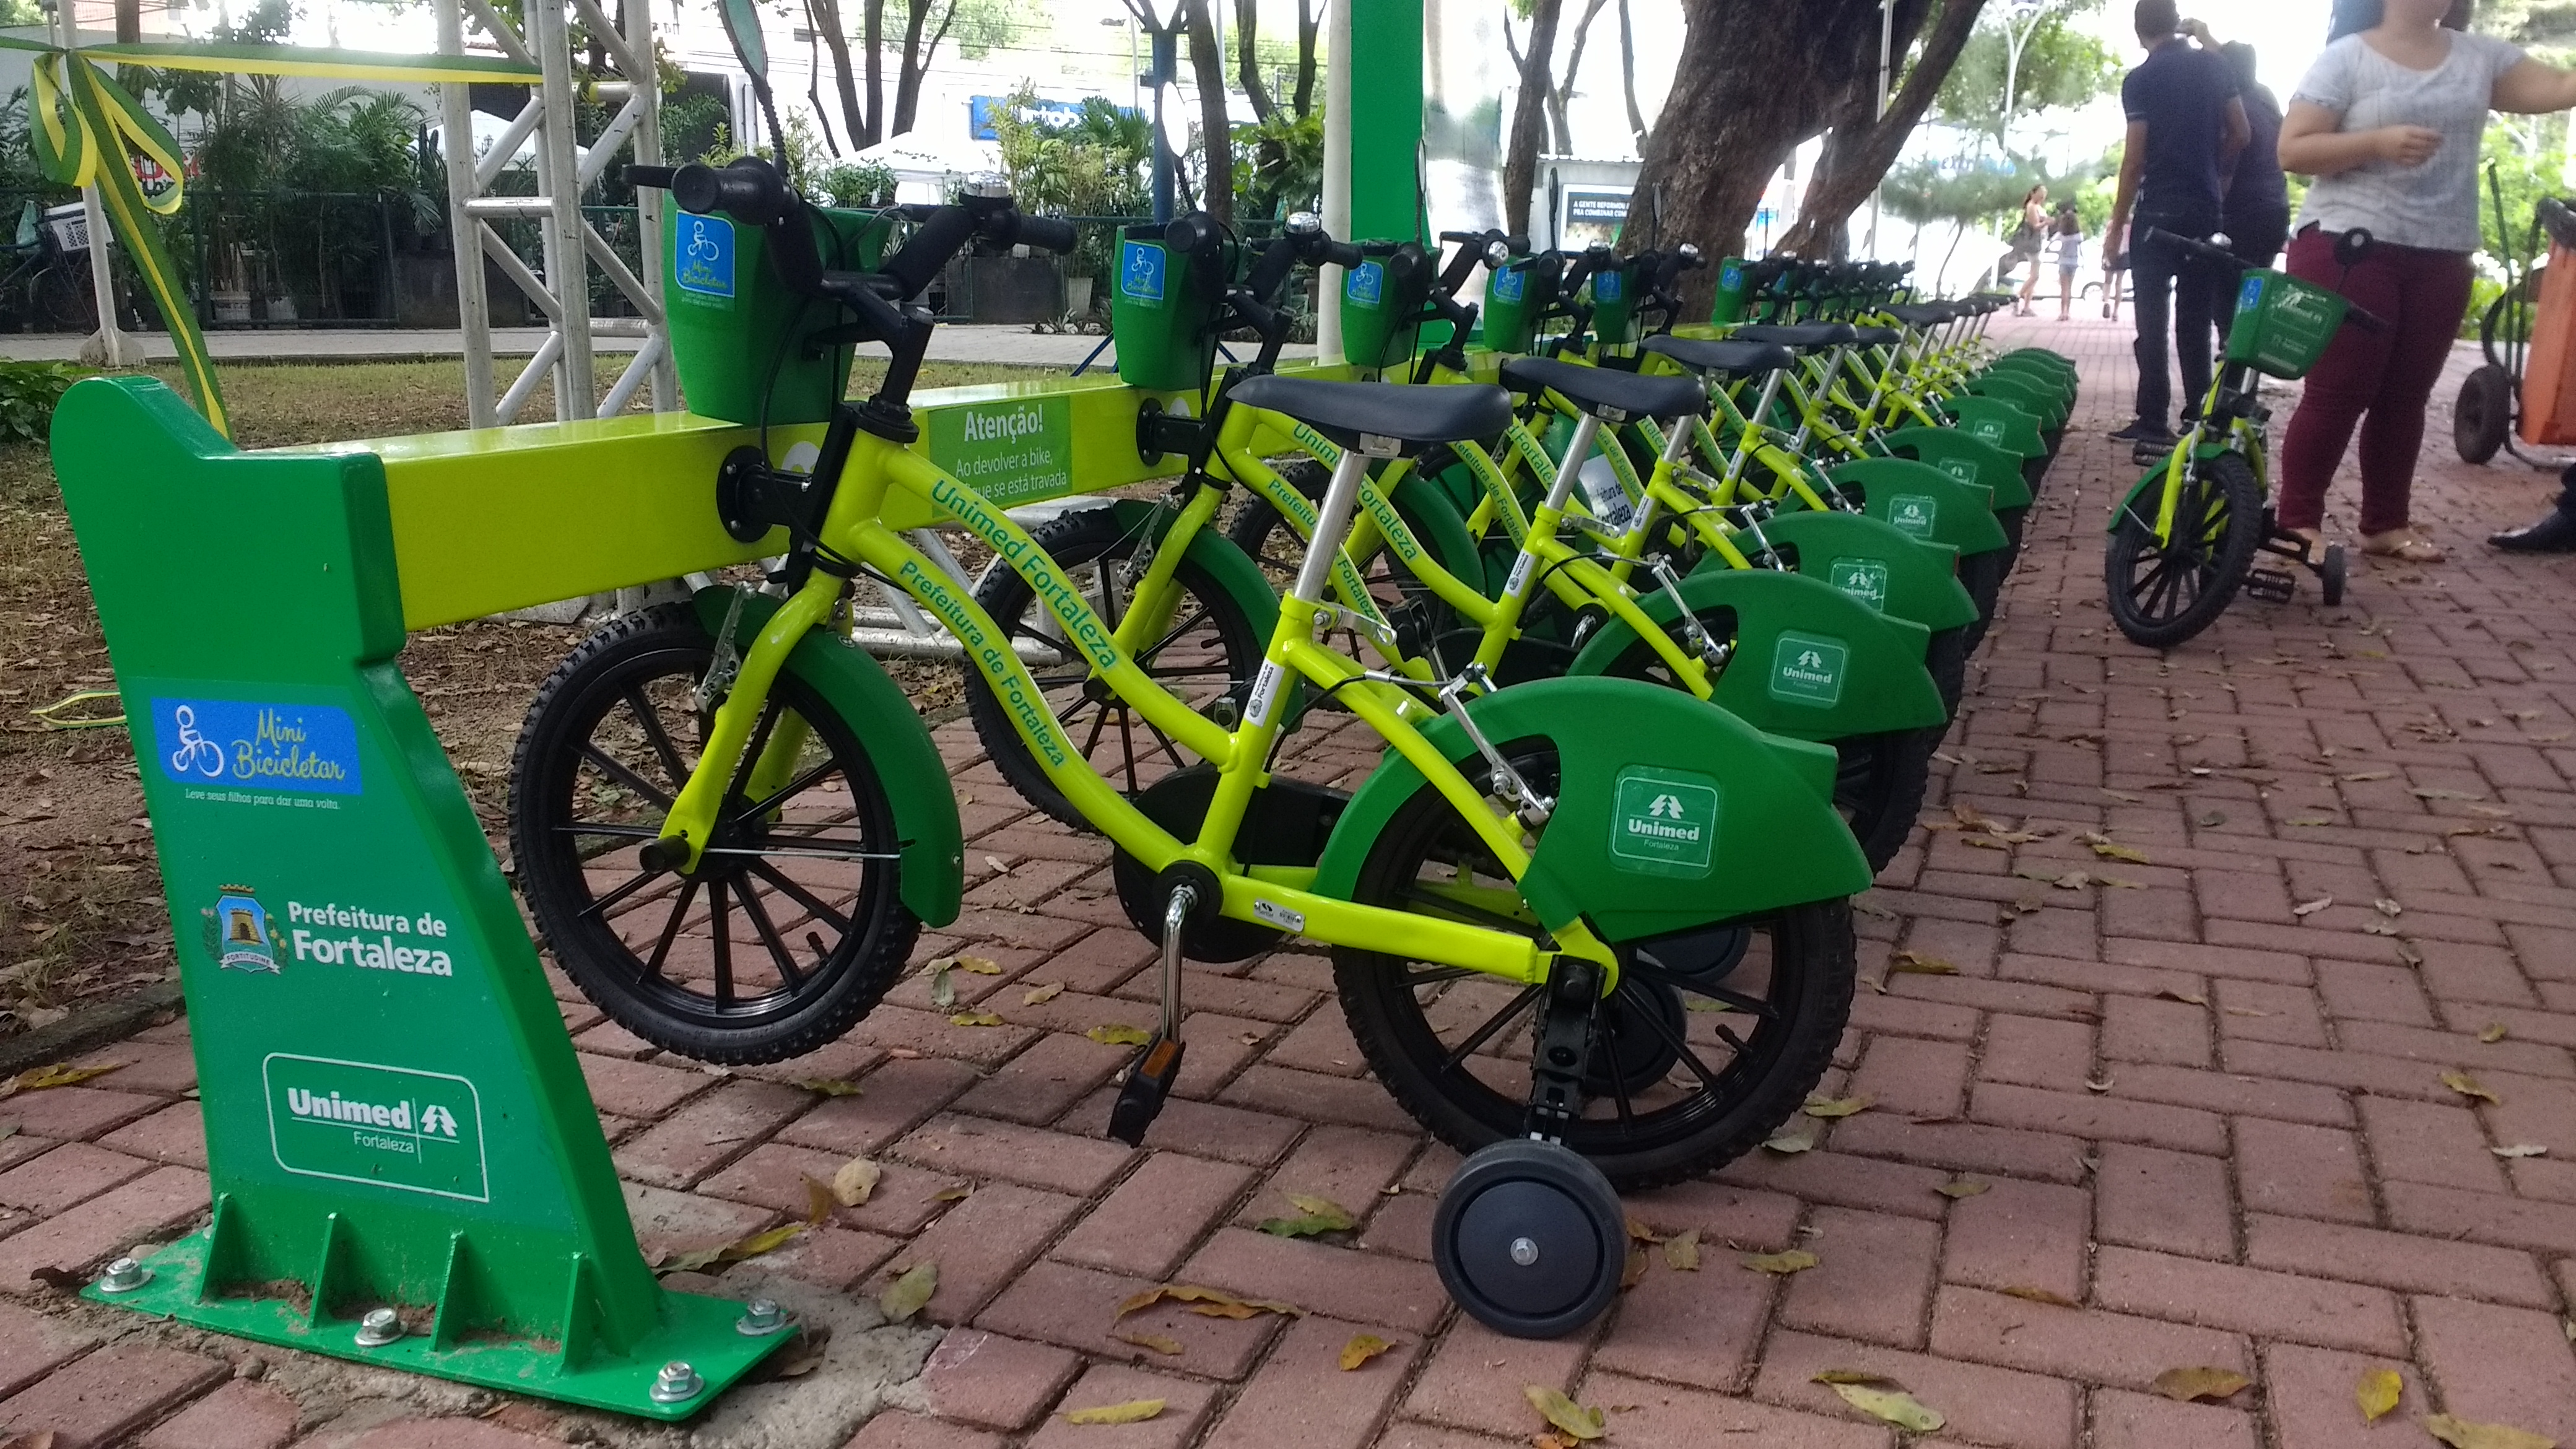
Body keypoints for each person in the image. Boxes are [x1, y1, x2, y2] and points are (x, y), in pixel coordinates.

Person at [2275, 0, 2576, 564]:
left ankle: (2385, 524)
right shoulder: (2346, 59)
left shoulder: (2481, 58)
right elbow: (2293, 149)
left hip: (2443, 250)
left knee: (2406, 397)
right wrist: (2376, 142)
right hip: (2349, 244)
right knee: (2338, 393)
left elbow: (2561, 85)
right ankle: (2298, 522)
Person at [2105, 0, 2252, 451]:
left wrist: (2115, 229)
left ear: (2139, 32)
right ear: (2175, 23)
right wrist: (2212, 167)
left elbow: (2133, 162)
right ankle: (2199, 419)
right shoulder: (2215, 66)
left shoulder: (2141, 80)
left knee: (2153, 320)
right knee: (2195, 320)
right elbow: (2241, 133)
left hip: (2160, 212)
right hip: (2206, 210)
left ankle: (2153, 421)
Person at [2187, 24, 2295, 355]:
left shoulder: (2233, 113)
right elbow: (2236, 61)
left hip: (2241, 216)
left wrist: (2211, 206)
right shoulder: (2265, 99)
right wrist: (2204, 36)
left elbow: (2227, 172)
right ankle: (2246, 379)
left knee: (2227, 301)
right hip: (2275, 211)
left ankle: (2229, 375)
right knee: (2254, 299)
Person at [2014, 185, 2052, 316]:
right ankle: (2017, 297)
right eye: (2041, 192)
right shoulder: (2031, 207)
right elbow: (2035, 226)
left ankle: (2026, 307)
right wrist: (2046, 223)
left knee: (2033, 276)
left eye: (2045, 192)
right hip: (2034, 244)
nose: (2043, 195)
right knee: (2035, 275)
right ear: (2033, 193)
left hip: (2041, 242)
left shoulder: (2038, 207)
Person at [2052, 205, 2086, 320]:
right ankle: (2068, 312)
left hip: (2063, 262)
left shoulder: (2060, 235)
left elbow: (2052, 243)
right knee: (2070, 288)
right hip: (2074, 262)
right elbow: (2082, 249)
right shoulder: (2079, 236)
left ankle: (2063, 312)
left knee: (2064, 289)